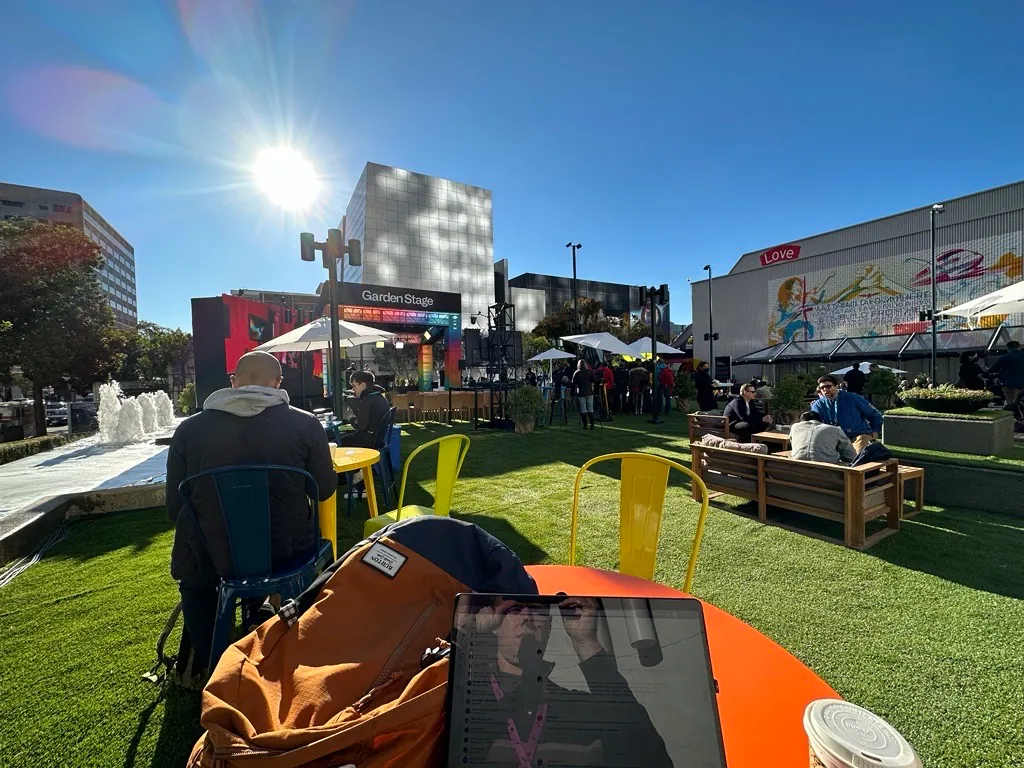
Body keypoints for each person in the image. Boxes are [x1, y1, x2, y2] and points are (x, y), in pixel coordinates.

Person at [165, 351, 338, 674]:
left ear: (234, 382)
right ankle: (289, 637)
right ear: (278, 383)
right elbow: (325, 489)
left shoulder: (189, 430)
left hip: (212, 555)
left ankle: (212, 667)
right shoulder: (306, 424)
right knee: (314, 554)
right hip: (286, 549)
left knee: (195, 580)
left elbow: (175, 506)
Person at [465, 597, 672, 767]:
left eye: (537, 610)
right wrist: (468, 630)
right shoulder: (470, 699)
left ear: (549, 626)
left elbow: (650, 757)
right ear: (495, 624)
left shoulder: (579, 709)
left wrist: (586, 643)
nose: (527, 616)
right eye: (515, 609)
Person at [810, 375, 882, 452]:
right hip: (833, 437)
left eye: (828, 386)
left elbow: (875, 414)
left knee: (859, 456)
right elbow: (814, 423)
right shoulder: (818, 404)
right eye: (822, 388)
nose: (825, 389)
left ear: (836, 386)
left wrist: (875, 430)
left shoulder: (852, 398)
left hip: (858, 435)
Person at [341, 371, 391, 448]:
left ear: (363, 385)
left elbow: (361, 427)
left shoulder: (367, 400)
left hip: (367, 441)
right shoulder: (380, 397)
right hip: (377, 439)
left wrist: (351, 418)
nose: (353, 390)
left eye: (354, 386)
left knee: (336, 442)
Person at [789, 411, 857, 464]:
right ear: (821, 421)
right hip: (825, 472)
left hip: (797, 468)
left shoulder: (795, 427)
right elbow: (851, 455)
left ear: (802, 421)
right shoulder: (835, 430)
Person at [987, 340, 1024, 407]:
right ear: (1020, 347)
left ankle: (1014, 416)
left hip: (1009, 385)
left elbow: (993, 369)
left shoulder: (1004, 358)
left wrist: (984, 374)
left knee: (1012, 403)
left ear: (1008, 348)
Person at [572, 360, 596, 429]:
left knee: (583, 409)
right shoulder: (589, 372)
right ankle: (592, 425)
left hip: (581, 392)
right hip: (589, 392)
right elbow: (594, 380)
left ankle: (585, 425)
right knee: (590, 408)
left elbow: (574, 383)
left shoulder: (576, 373)